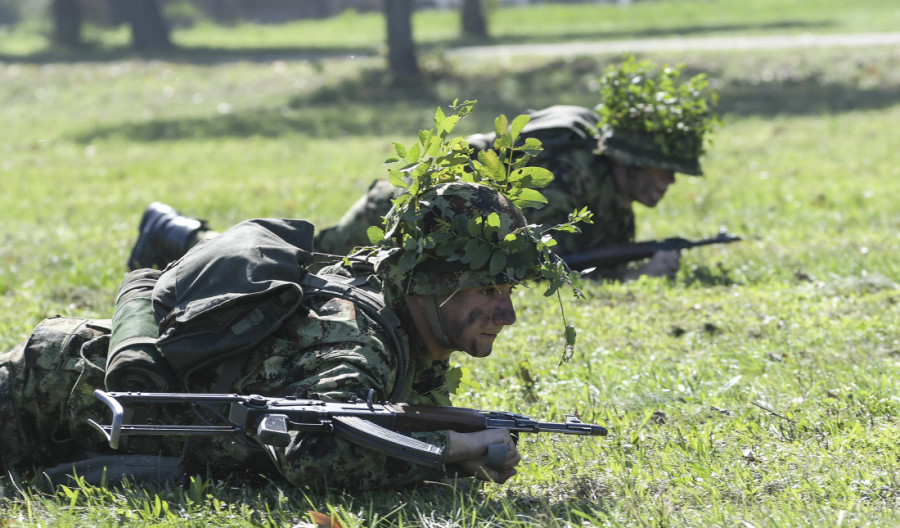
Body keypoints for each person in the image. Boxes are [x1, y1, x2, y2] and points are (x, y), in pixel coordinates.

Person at [0, 180, 573, 491]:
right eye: (487, 291)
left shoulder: (401, 330)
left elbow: (384, 424)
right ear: (431, 285)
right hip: (44, 393)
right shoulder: (353, 338)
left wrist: (450, 456)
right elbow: (321, 454)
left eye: (509, 290)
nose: (507, 312)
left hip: (77, 407)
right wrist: (458, 448)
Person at [127, 57, 718, 281]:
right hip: (405, 216)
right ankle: (176, 235)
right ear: (629, 163)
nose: (665, 185)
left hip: (436, 227)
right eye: (660, 173)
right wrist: (636, 274)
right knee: (294, 266)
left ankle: (182, 237)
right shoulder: (568, 180)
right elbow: (538, 264)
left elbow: (593, 249)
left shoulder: (607, 187)